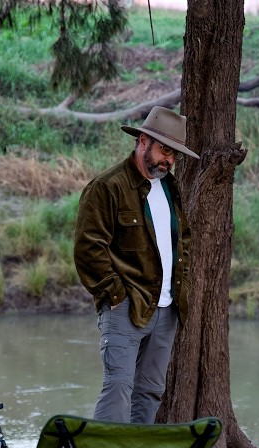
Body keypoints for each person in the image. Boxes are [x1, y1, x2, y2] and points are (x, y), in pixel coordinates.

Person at [74, 105, 200, 424]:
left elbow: (181, 239)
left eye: (174, 155)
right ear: (143, 141)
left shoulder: (170, 187)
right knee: (118, 388)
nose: (169, 161)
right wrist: (115, 296)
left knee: (150, 391)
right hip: (125, 308)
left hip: (167, 309)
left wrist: (178, 290)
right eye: (164, 150)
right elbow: (88, 249)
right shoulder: (107, 187)